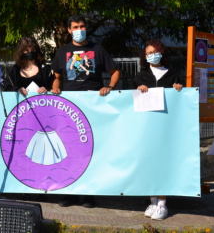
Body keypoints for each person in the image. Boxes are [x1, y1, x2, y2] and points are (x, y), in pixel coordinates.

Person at [51, 15, 121, 208]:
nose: (79, 29)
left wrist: (110, 88)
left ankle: (89, 194)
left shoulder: (97, 50)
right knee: (69, 150)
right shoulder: (63, 51)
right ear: (69, 30)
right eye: (75, 27)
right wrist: (55, 87)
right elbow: (57, 77)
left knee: (90, 150)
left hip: (93, 107)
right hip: (70, 107)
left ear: (87, 27)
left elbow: (115, 71)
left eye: (82, 26)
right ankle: (70, 193)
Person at [130, 39, 183, 221]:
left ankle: (162, 203)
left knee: (163, 164)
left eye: (155, 51)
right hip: (146, 130)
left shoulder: (173, 75)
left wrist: (178, 89)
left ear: (162, 52)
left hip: (166, 129)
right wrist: (137, 89)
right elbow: (127, 100)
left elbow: (182, 99)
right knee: (148, 164)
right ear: (145, 57)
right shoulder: (140, 77)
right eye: (148, 53)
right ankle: (152, 200)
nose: (152, 55)